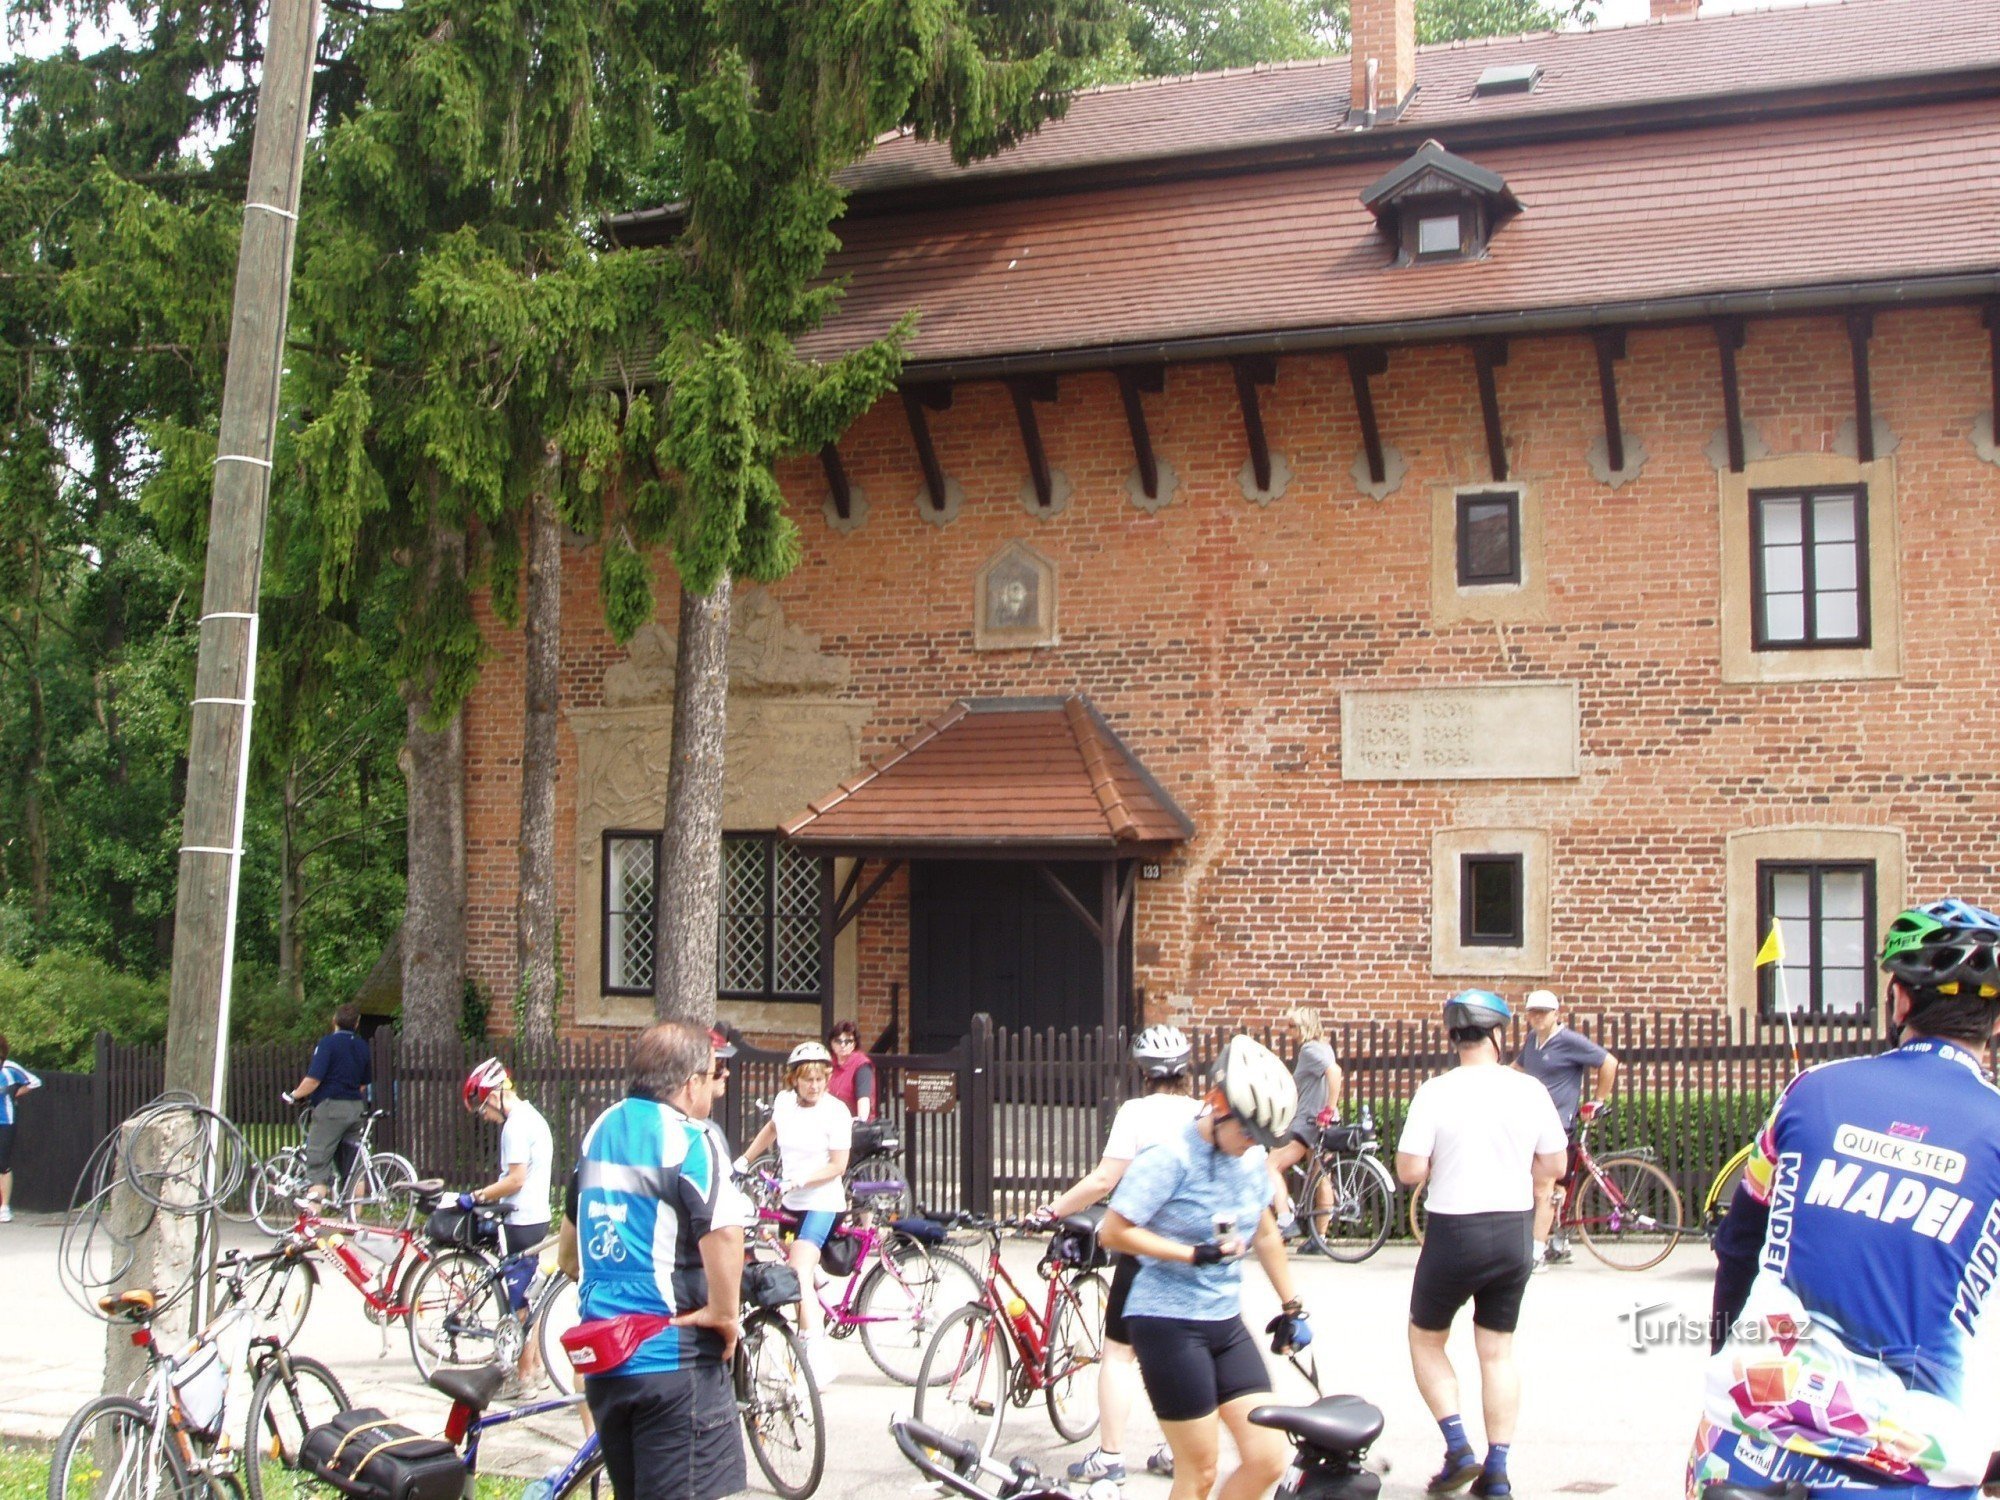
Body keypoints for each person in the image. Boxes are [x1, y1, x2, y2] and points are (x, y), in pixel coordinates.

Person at [1690, 899, 2000, 1498]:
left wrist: (1727, 1365)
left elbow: (1740, 1243)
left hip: (1751, 1436)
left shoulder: (1810, 1091)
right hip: (1915, 1463)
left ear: (1901, 1000)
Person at [1100, 1034, 1311, 1500]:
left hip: (1223, 1321)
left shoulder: (1252, 1159)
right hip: (1166, 1321)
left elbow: (1266, 1233)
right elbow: (1112, 1232)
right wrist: (1192, 1254)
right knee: (1200, 1471)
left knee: (1267, 1459)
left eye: (1262, 1136)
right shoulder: (1169, 1158)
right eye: (1248, 1130)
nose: (1253, 1143)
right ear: (1216, 1104)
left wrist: (1292, 1306)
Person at [1396, 990, 1566, 1499]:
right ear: (1499, 1033)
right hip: (1512, 1230)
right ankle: (1498, 1471)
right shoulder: (1529, 1090)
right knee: (1497, 1353)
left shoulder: (1435, 1092)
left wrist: (1437, 1163)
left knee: (1426, 1339)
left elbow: (1409, 1171)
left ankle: (1458, 1448)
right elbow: (1555, 1166)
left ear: (1454, 1035)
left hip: (1453, 1231)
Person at [571, 1021, 749, 1500]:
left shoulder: (598, 1131)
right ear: (690, 1083)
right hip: (673, 1358)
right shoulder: (694, 1138)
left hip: (606, 1361)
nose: (715, 1086)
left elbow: (570, 1249)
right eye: (712, 1074)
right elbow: (726, 1232)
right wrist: (724, 1315)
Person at [1037, 1024, 1204, 1486]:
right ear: (1185, 1070)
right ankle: (1179, 1451)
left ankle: (1110, 1456)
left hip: (1144, 1244)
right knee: (1184, 1351)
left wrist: (1053, 1209)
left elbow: (1103, 1181)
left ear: (1144, 1072)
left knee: (1119, 1353)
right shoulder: (1204, 1111)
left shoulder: (1136, 1112)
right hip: (1192, 1249)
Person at [733, 1040, 851, 1384]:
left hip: (822, 1202)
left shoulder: (835, 1112)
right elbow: (773, 1129)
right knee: (794, 1274)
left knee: (798, 1271)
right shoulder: (785, 1103)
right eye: (807, 1079)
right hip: (791, 1203)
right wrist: (744, 1160)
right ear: (794, 1080)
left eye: (820, 1079)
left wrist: (801, 1179)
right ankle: (812, 1305)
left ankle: (816, 1358)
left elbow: (838, 1165)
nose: (814, 1086)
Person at [456, 1058, 554, 1391]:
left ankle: (522, 1376)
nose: (484, 1115)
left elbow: (515, 1179)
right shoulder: (533, 1117)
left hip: (520, 1218)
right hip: (537, 1215)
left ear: (495, 1095)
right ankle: (537, 1367)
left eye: (483, 1106)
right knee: (532, 1295)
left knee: (519, 1302)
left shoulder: (514, 1127)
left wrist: (478, 1195)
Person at [1514, 989, 1618, 1268]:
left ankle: (1536, 1254)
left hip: (1558, 1124)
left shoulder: (1569, 1040)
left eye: (1543, 1012)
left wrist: (1598, 1100)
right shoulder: (1533, 1041)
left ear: (1556, 1014)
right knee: (1556, 1186)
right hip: (1533, 1122)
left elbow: (1608, 1062)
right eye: (1532, 1012)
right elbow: (1518, 1068)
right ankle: (1560, 1241)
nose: (1537, 1017)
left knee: (1543, 1188)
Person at [1265, 1005, 1344, 1235]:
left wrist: (1328, 1110)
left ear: (1304, 1026)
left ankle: (1285, 1219)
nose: (1288, 1032)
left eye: (1292, 1026)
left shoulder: (1309, 1049)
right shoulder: (1324, 1047)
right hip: (1320, 1124)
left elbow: (1335, 1072)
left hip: (1309, 1123)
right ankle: (1320, 1239)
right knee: (1321, 1177)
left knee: (1271, 1165)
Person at [282, 1004, 372, 1196]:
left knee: (318, 1165)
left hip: (330, 1109)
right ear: (356, 1024)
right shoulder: (362, 1046)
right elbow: (363, 1084)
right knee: (353, 1167)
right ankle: (354, 1220)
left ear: (334, 1020)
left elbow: (313, 1080)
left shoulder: (327, 1044)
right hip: (355, 1108)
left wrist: (294, 1095)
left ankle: (314, 1219)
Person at [0, 1035, 41, 1224]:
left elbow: (34, 1082)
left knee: (2, 1164)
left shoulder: (9, 1068)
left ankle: (4, 1207)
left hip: (5, 1121)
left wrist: (13, 1093)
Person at [825, 1021, 877, 1123]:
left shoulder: (862, 1065)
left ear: (854, 1044)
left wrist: (860, 1123)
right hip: (829, 1122)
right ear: (831, 1043)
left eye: (848, 1041)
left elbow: (864, 1101)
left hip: (853, 1124)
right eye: (838, 1041)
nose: (843, 1045)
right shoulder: (827, 1064)